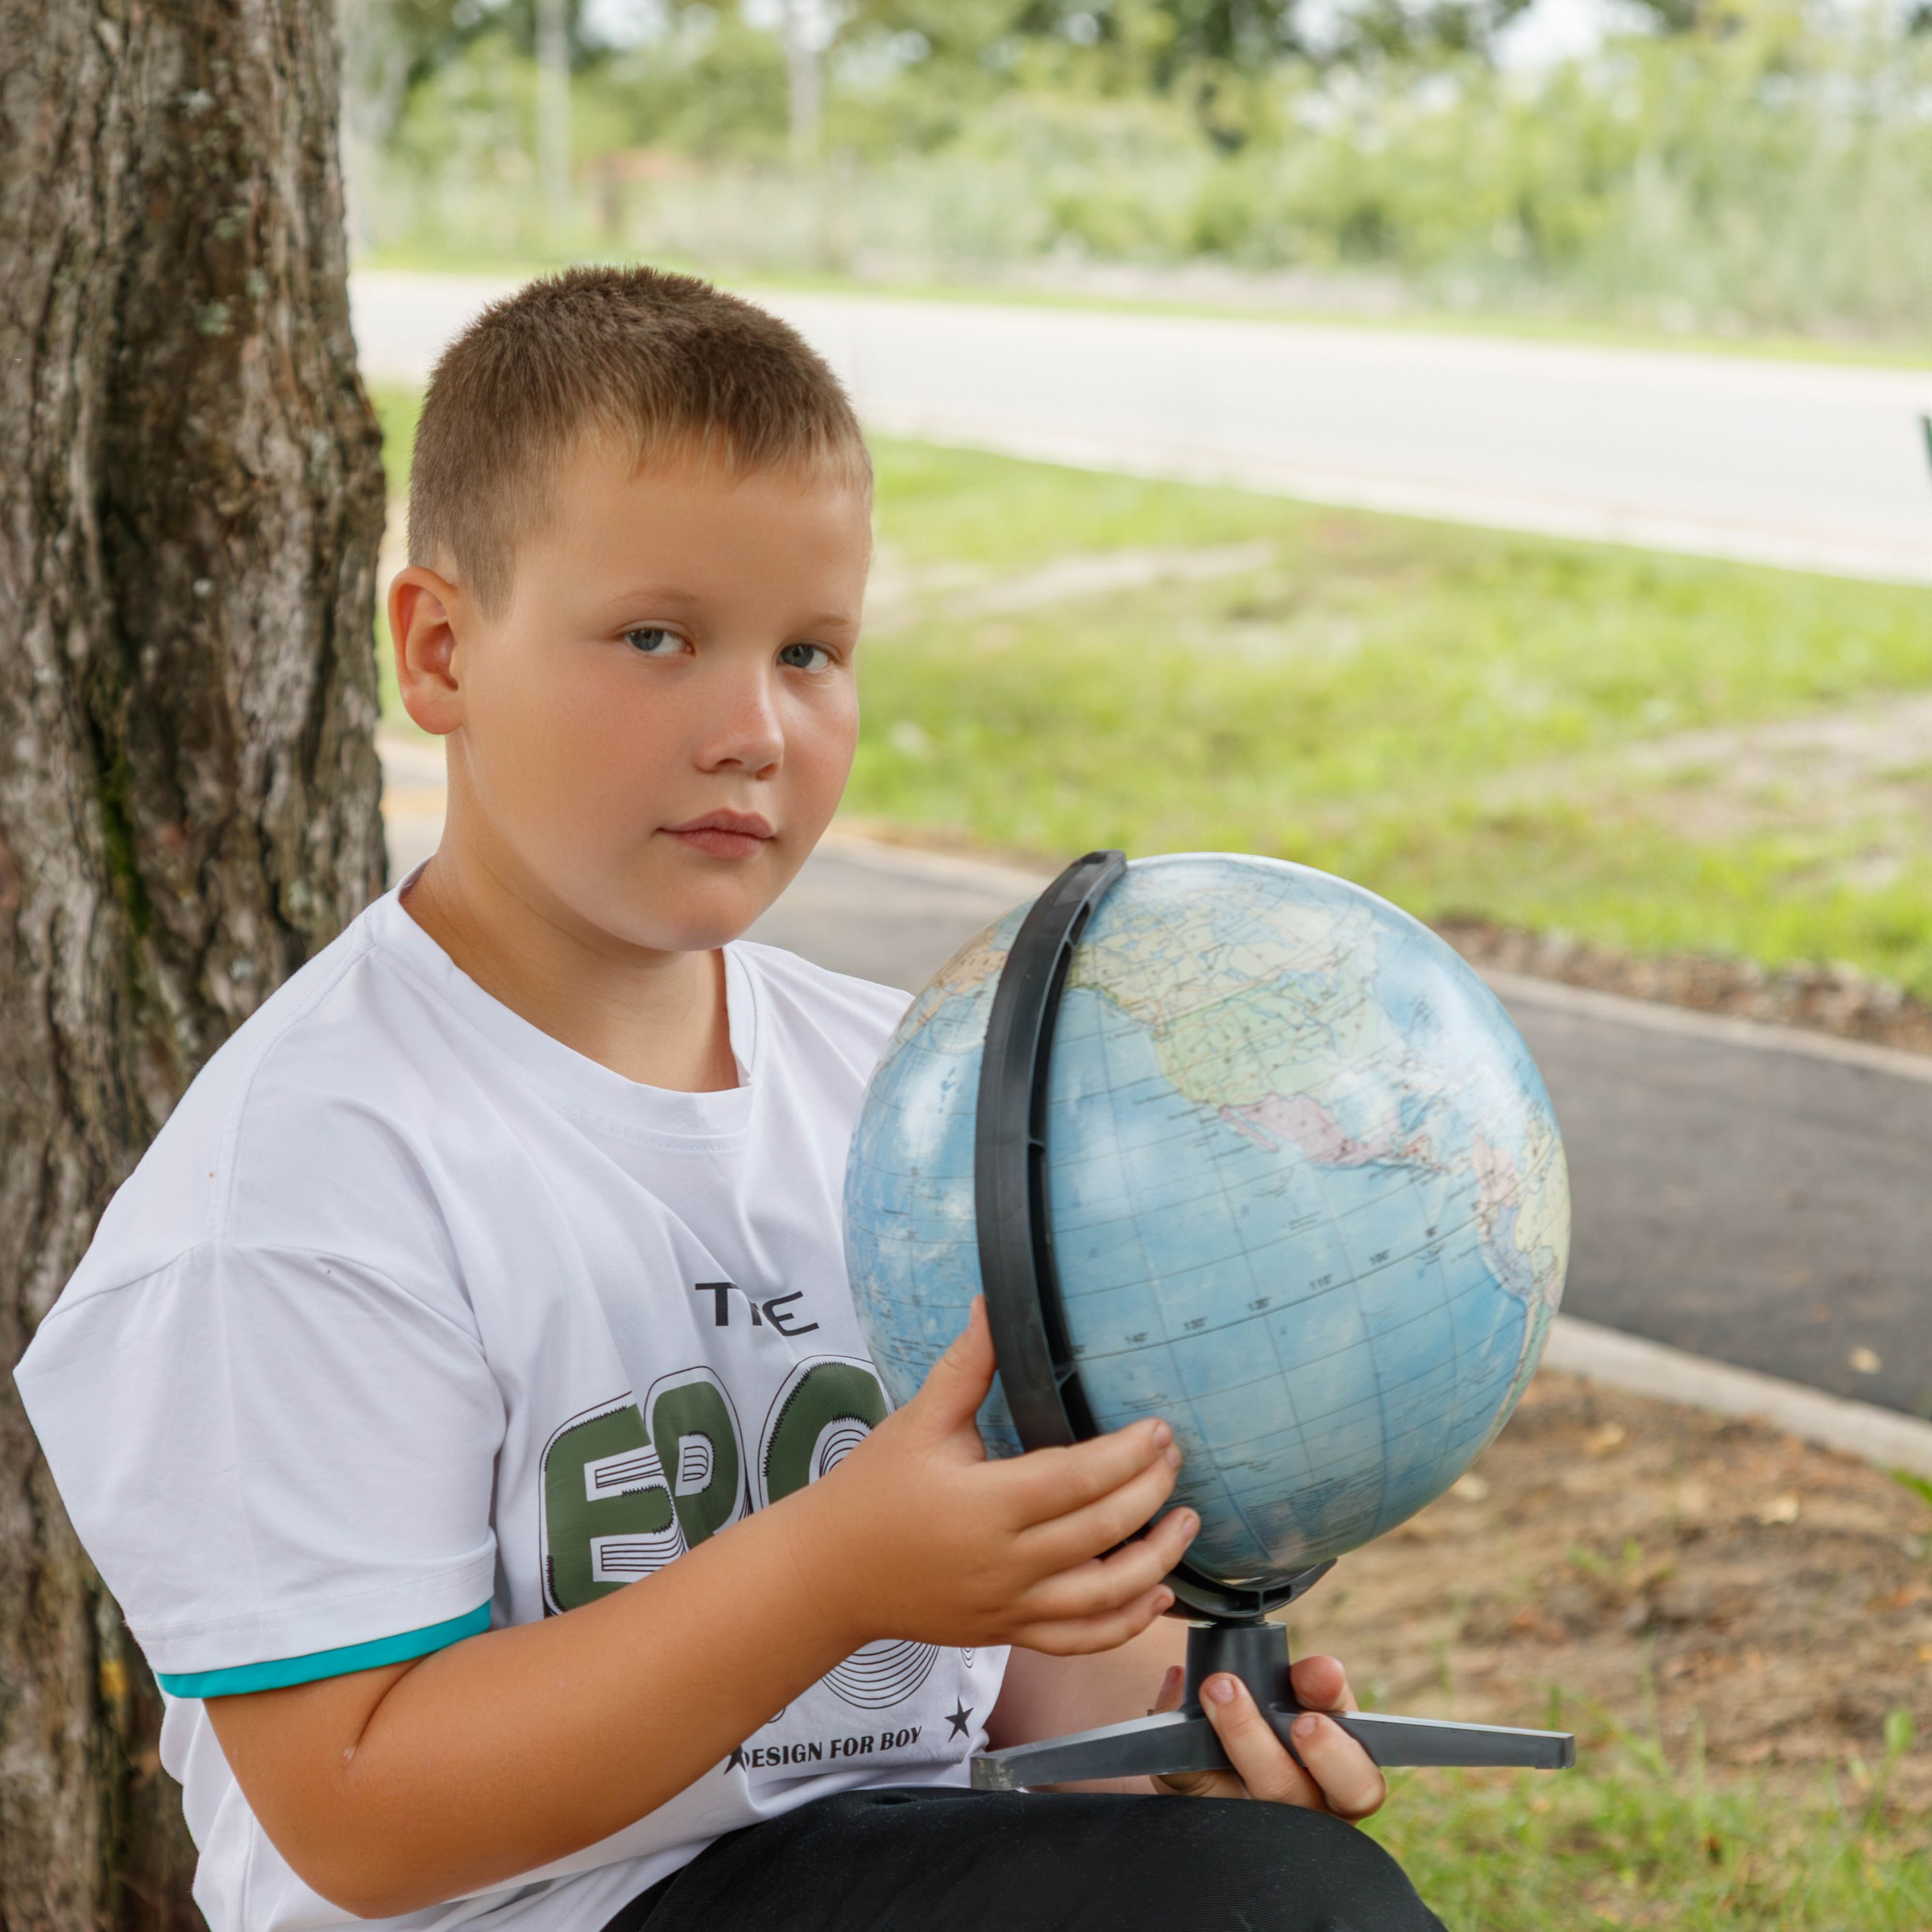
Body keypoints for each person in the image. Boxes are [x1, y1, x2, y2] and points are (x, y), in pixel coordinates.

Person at [15, 267, 1443, 1932]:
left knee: (1276, 1886)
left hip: (869, 1863)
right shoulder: (303, 1187)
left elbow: (1023, 1679)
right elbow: (356, 1809)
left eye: (810, 651)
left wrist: (1175, 1752)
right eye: (654, 638)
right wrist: (834, 1570)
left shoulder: (904, 1099)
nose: (753, 728)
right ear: (440, 648)